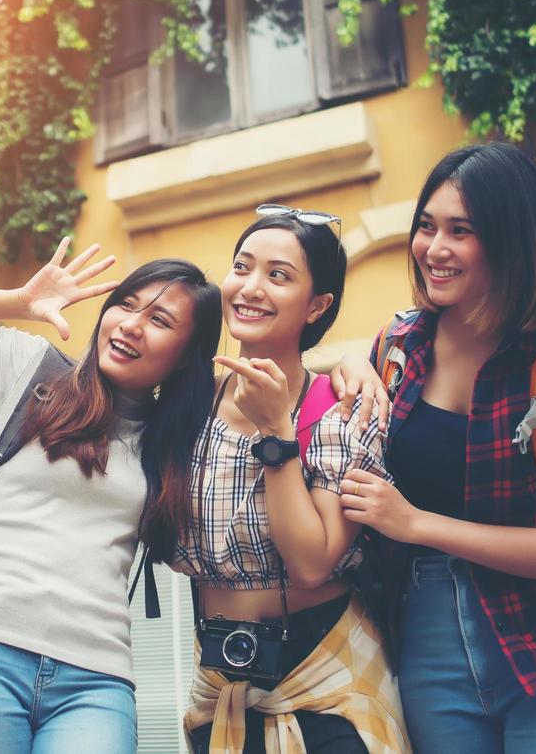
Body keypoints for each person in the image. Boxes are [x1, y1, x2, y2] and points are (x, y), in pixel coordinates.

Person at [0, 243, 223, 754]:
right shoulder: (32, 371)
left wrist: (359, 371)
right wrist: (20, 299)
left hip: (96, 675)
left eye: (160, 320)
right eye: (126, 304)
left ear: (187, 355)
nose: (130, 325)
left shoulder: (180, 440)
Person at [340, 143, 536, 752]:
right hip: (426, 642)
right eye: (426, 226)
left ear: (513, 240)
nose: (434, 248)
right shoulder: (399, 347)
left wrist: (418, 523)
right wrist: (347, 364)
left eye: (460, 231)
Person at [176, 206, 409, 753]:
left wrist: (276, 431)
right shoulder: (187, 405)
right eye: (242, 267)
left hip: (325, 680)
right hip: (219, 683)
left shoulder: (338, 409)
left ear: (318, 304)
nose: (251, 287)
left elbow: (311, 562)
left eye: (278, 275)